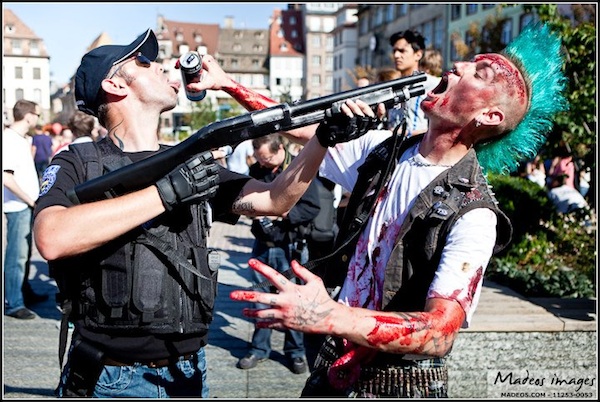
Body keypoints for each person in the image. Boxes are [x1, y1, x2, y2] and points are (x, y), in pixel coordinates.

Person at [227, 22, 568, 397]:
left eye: (478, 73)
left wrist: (329, 315)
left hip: (399, 385)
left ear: (489, 116)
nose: (457, 66)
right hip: (333, 368)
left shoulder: (475, 214)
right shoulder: (385, 150)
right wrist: (226, 82)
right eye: (467, 62)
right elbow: (298, 126)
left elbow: (440, 332)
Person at [32, 28, 378, 398]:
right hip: (110, 375)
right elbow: (51, 237)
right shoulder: (79, 161)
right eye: (145, 62)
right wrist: (167, 192)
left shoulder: (190, 160)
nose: (164, 67)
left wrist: (322, 139)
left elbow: (275, 201)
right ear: (116, 86)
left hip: (188, 371)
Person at [237, 134, 321, 375]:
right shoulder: (255, 169)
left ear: (280, 149)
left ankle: (295, 352)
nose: (264, 164)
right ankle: (258, 348)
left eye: (269, 158)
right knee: (260, 298)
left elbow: (313, 207)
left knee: (292, 298)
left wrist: (282, 213)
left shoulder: (298, 169)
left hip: (288, 245)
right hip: (262, 244)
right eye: (261, 159)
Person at [3, 99, 47, 320]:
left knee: (24, 253)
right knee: (17, 256)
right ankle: (13, 302)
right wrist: (31, 200)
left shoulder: (19, 139)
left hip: (24, 204)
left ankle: (23, 292)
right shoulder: (9, 139)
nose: (37, 119)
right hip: (18, 205)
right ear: (29, 115)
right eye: (37, 115)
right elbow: (6, 178)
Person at [389, 29, 441, 137]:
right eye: (394, 51)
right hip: (393, 148)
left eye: (402, 51)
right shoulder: (391, 86)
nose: (396, 55)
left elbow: (442, 127)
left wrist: (406, 133)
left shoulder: (434, 84)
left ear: (418, 54)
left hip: (419, 149)